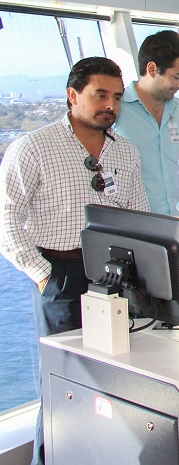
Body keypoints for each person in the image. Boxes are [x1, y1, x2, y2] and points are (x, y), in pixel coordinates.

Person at [0, 57, 149, 465]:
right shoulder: (34, 147)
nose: (110, 105)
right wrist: (43, 276)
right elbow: (6, 219)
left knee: (116, 381)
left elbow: (140, 218)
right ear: (72, 95)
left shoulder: (126, 152)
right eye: (100, 95)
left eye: (116, 97)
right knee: (63, 386)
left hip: (115, 278)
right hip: (61, 275)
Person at [114, 30, 179, 216]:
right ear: (152, 69)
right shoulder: (117, 110)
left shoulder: (178, 110)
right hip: (131, 221)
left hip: (171, 219)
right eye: (177, 76)